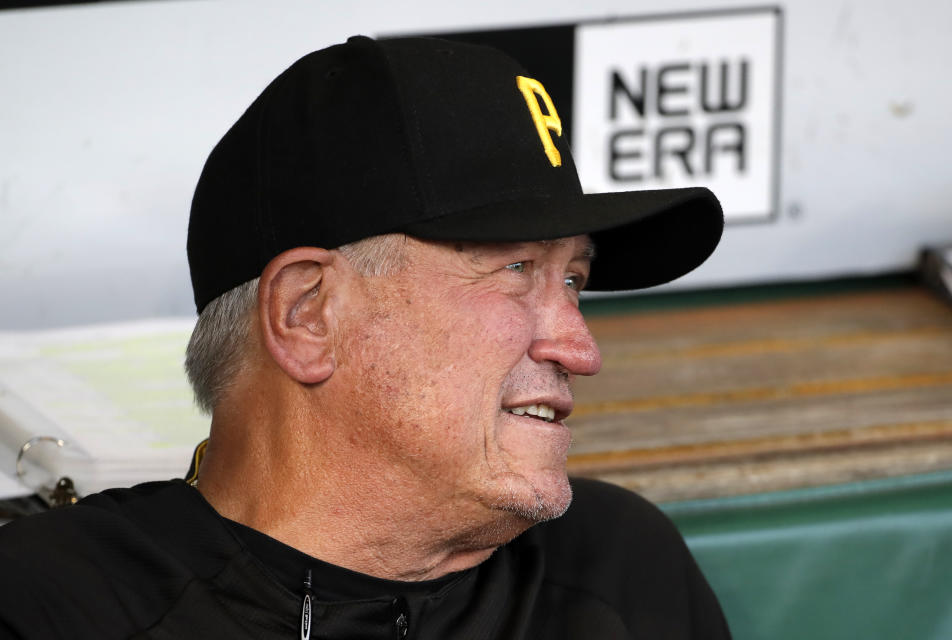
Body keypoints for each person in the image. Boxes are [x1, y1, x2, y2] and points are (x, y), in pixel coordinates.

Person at [0, 35, 728, 639]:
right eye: (514, 269)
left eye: (572, 280)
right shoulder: (51, 609)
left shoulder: (615, 566)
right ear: (308, 314)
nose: (580, 348)